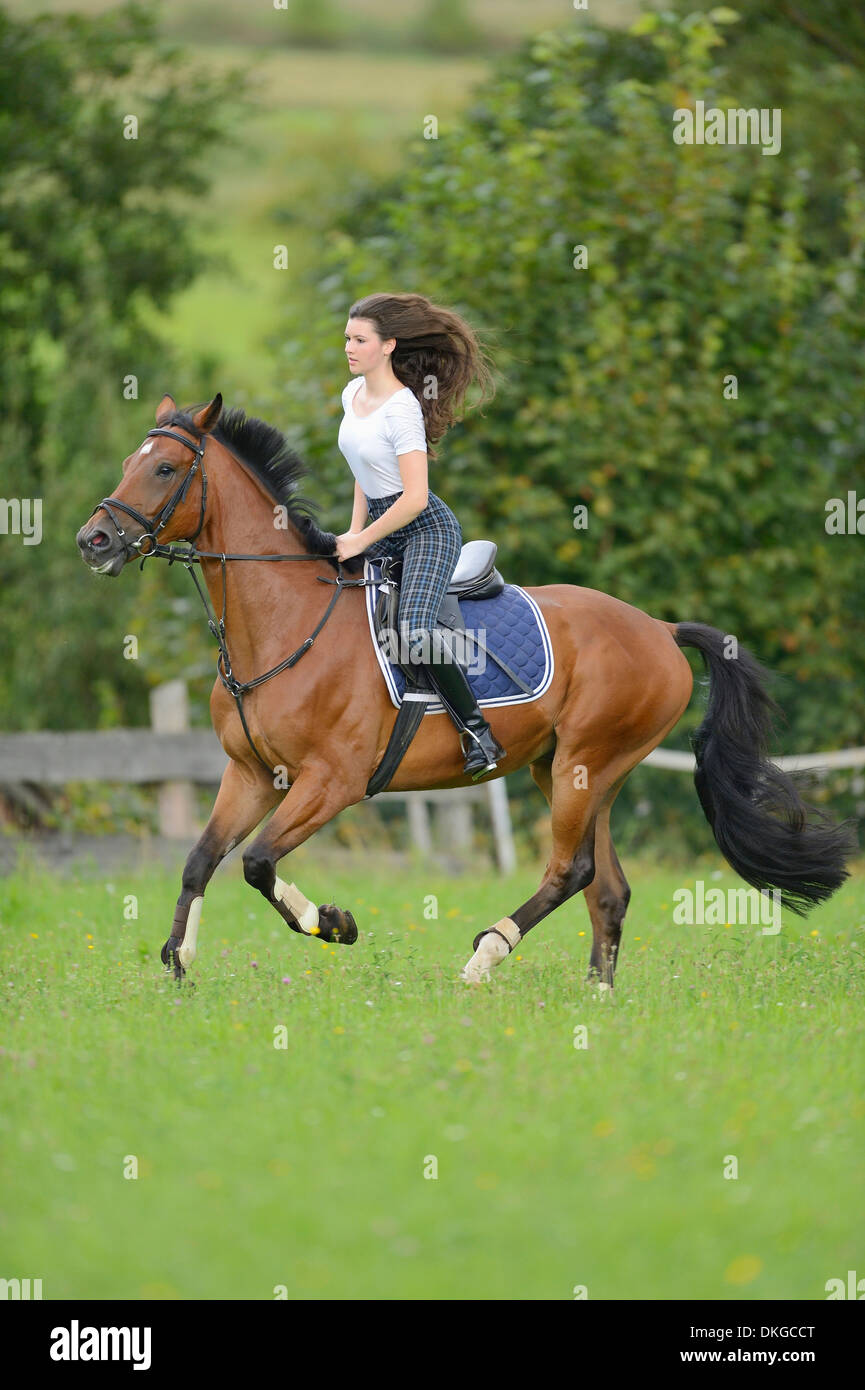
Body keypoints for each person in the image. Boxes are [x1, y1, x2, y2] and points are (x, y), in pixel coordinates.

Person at [334, 291, 505, 780]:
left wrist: (362, 541)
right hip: (379, 529)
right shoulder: (352, 396)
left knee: (413, 632)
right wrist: (352, 530)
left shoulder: (402, 409)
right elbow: (362, 470)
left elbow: (413, 499)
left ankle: (478, 733)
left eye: (359, 340)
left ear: (387, 346)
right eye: (347, 338)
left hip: (423, 530)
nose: (349, 347)